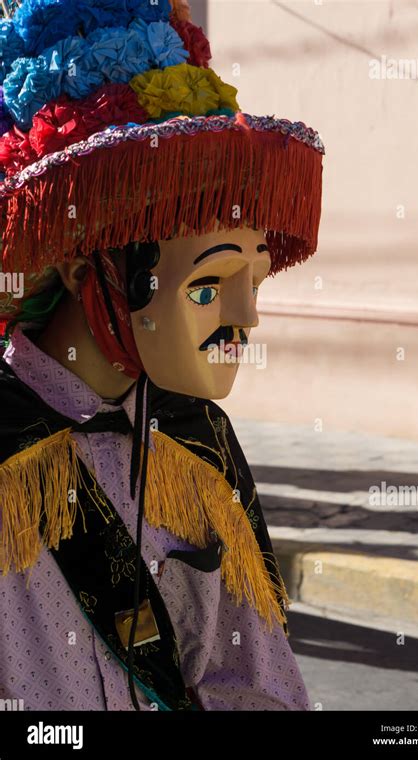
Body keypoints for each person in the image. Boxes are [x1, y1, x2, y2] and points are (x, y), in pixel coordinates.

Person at [0, 0, 324, 711]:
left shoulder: (200, 444)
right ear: (95, 274)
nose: (247, 318)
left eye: (255, 280)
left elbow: (255, 683)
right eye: (209, 285)